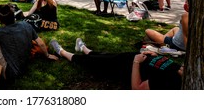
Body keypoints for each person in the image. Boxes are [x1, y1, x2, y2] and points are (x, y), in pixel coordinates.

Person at [49, 38, 182, 90]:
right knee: (108, 55)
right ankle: (85, 49)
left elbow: (137, 88)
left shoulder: (171, 82)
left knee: (93, 63)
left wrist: (136, 62)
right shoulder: (181, 70)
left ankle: (62, 52)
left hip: (127, 68)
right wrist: (155, 55)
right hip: (134, 59)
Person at [0, 4, 58, 83]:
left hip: (10, 72)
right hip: (23, 66)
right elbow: (41, 43)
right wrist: (47, 55)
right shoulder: (26, 25)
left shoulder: (1, 32)